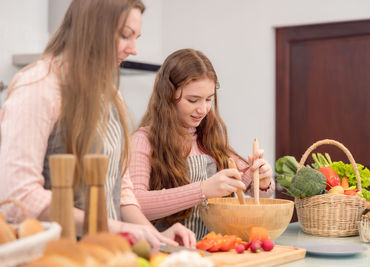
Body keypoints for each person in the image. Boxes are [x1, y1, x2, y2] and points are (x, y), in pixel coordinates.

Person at [0, 0, 196, 250]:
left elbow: (120, 187)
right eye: (126, 36)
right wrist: (119, 229)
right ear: (91, 29)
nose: (134, 49)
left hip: (105, 253)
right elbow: (20, 197)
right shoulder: (38, 87)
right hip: (56, 255)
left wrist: (154, 236)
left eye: (136, 37)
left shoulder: (110, 95)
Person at [129, 48, 275, 240]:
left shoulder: (208, 138)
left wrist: (262, 181)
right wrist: (202, 190)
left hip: (213, 252)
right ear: (168, 95)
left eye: (209, 99)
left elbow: (252, 189)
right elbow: (136, 204)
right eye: (193, 100)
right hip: (169, 255)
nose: (203, 109)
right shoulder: (143, 140)